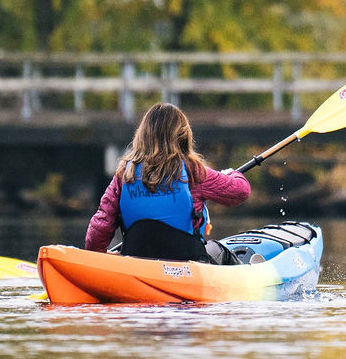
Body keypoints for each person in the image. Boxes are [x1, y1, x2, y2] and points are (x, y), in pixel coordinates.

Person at [86, 103, 251, 261]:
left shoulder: (124, 174)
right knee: (219, 250)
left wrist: (100, 256)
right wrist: (232, 173)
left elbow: (100, 227)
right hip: (187, 262)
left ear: (143, 135)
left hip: (137, 260)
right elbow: (241, 191)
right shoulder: (193, 171)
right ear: (182, 135)